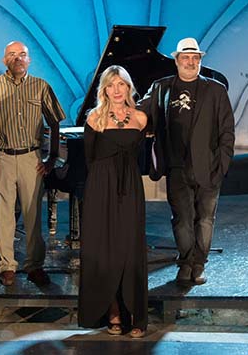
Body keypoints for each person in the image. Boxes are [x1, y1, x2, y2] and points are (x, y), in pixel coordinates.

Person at [138, 37, 235, 285]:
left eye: (195, 58)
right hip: (176, 167)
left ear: (200, 61)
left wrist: (222, 165)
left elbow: (227, 131)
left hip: (209, 167)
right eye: (186, 57)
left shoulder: (216, 90)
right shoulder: (161, 87)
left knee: (205, 220)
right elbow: (140, 112)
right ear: (176, 60)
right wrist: (109, 113)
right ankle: (185, 263)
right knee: (181, 220)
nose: (190, 62)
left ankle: (199, 264)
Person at [0, 40, 65, 287]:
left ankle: (34, 265)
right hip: (2, 157)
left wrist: (52, 157)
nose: (18, 58)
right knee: (3, 214)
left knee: (32, 215)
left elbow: (55, 122)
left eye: (22, 54)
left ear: (29, 59)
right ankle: (7, 266)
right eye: (12, 54)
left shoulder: (41, 86)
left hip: (31, 158)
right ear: (4, 60)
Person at [78, 65, 148, 338]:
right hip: (100, 187)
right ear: (104, 90)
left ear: (128, 87)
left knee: (130, 248)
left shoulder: (140, 118)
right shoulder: (95, 118)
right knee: (104, 248)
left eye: (121, 84)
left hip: (130, 187)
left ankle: (136, 314)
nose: (116, 90)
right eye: (111, 85)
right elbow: (89, 158)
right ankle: (113, 311)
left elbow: (142, 157)